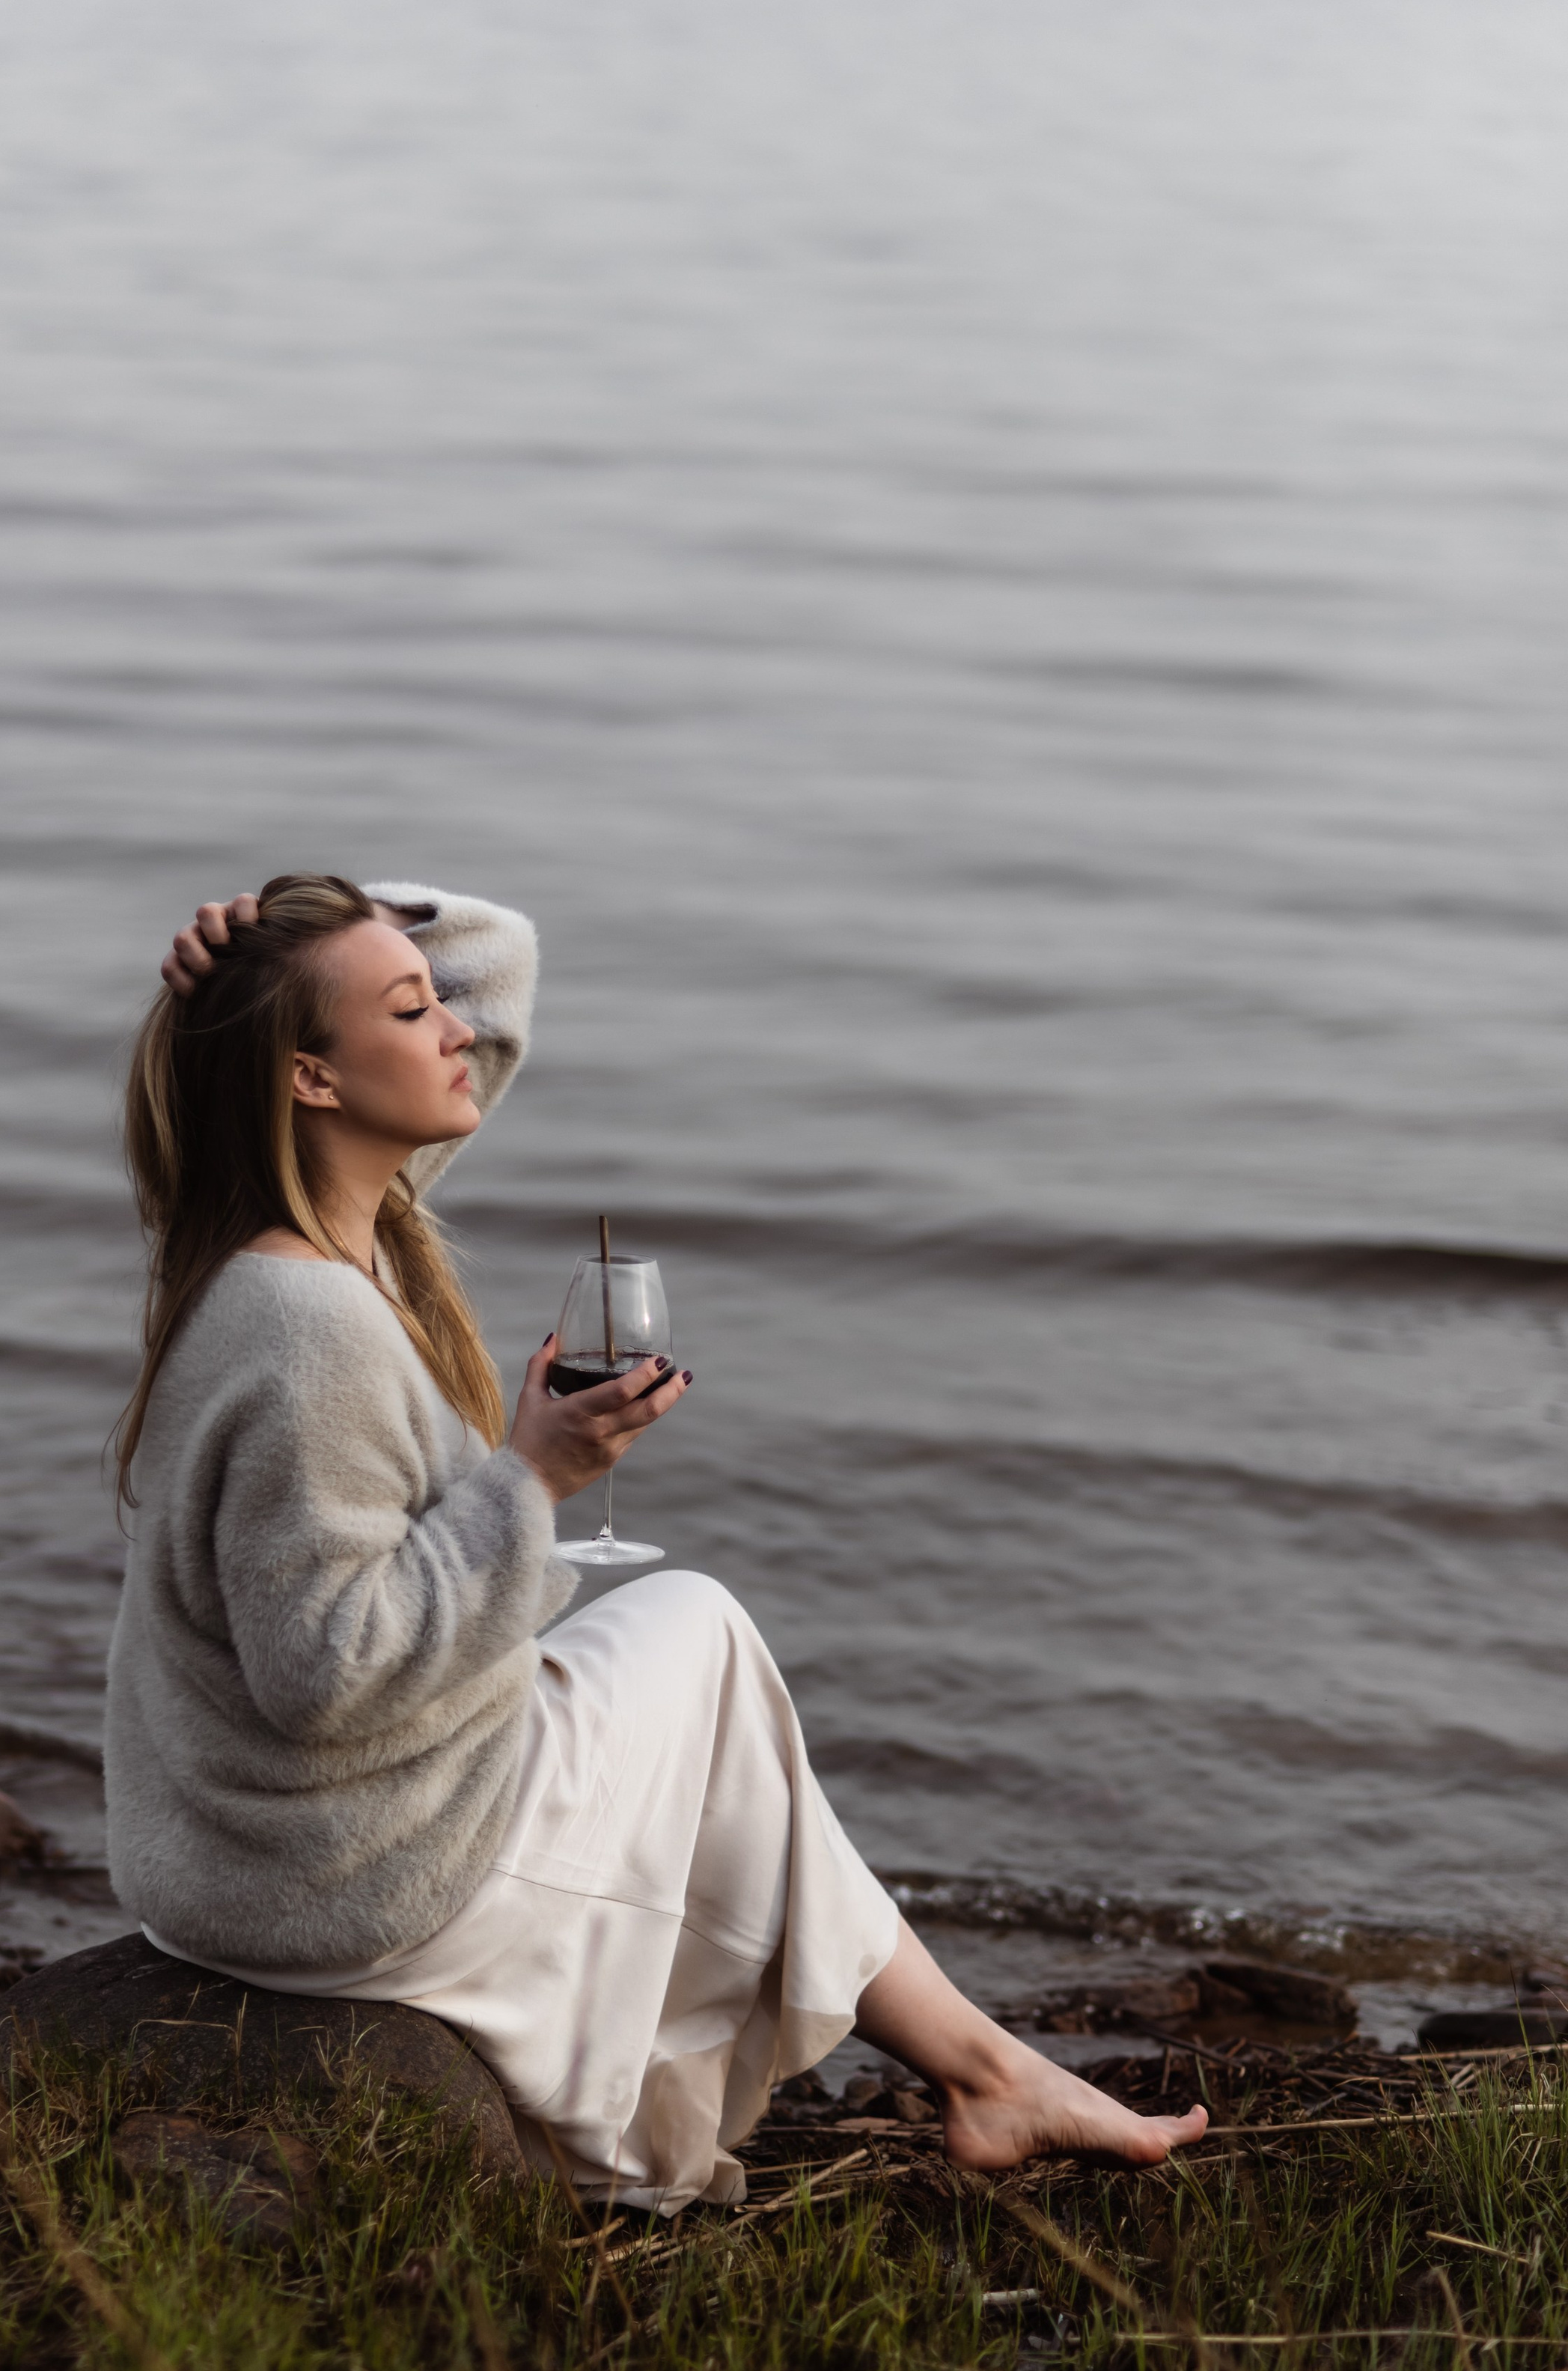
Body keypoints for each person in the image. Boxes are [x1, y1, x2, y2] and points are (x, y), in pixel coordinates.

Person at [106, 873, 1206, 2212]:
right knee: (699, 1636)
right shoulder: (310, 1328)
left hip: (241, 1864)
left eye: (431, 996)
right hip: (330, 1886)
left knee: (691, 1652)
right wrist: (532, 1477)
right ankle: (978, 2071)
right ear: (314, 1082)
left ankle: (980, 2069)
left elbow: (495, 962)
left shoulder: (315, 1230)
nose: (454, 1025)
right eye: (409, 1008)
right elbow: (324, 1676)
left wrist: (289, 923)